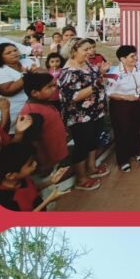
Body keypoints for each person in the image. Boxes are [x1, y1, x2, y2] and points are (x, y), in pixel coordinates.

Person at [57, 38, 111, 191]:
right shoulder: (69, 72)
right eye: (86, 49)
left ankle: (92, 167)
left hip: (96, 111)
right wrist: (96, 85)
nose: (90, 52)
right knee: (82, 144)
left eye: (91, 49)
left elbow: (94, 77)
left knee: (93, 139)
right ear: (74, 51)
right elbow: (73, 97)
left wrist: (101, 71)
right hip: (79, 115)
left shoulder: (86, 64)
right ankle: (81, 178)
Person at [105, 46, 140, 173]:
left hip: (136, 103)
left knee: (136, 128)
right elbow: (110, 93)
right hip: (120, 105)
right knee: (122, 131)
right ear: (122, 59)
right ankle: (123, 160)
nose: (135, 58)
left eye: (135, 55)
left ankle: (136, 152)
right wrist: (126, 97)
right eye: (132, 56)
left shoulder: (139, 66)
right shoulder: (115, 73)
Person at [20, 72, 68, 174]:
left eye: (54, 85)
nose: (54, 89)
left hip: (58, 152)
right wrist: (44, 163)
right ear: (34, 93)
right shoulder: (32, 112)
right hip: (49, 160)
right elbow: (34, 141)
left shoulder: (44, 102)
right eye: (49, 87)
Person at [0, 42, 39, 130]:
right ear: (1, 57)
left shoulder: (26, 62)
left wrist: (38, 71)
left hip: (28, 113)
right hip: (9, 115)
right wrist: (27, 76)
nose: (14, 53)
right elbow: (8, 91)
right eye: (8, 53)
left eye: (15, 50)